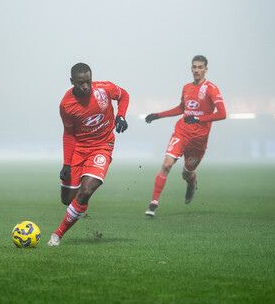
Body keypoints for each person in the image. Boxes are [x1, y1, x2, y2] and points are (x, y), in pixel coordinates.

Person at [47, 63, 129, 246]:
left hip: (102, 147)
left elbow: (124, 95)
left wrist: (121, 116)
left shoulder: (104, 89)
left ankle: (57, 235)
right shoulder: (66, 105)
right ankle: (78, 208)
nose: (85, 86)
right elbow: (68, 134)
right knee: (67, 200)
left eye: (88, 82)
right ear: (72, 82)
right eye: (80, 83)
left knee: (85, 192)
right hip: (79, 150)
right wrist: (66, 164)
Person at [144, 55, 226, 217]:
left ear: (206, 69)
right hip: (182, 133)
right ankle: (153, 204)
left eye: (200, 67)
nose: (196, 70)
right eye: (194, 67)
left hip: (198, 142)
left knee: (186, 173)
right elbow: (181, 108)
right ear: (191, 68)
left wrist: (198, 119)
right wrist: (158, 115)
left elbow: (222, 114)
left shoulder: (211, 89)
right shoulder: (187, 87)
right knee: (167, 164)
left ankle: (191, 181)